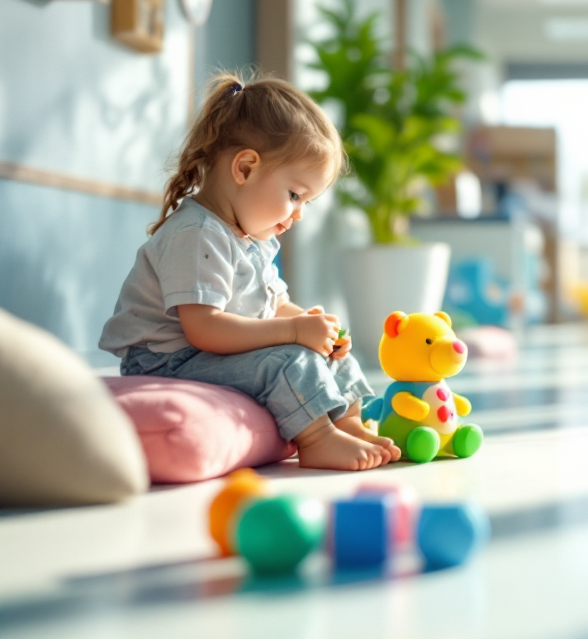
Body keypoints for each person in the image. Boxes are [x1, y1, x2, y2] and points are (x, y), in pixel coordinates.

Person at [99, 74, 401, 470]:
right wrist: (294, 334)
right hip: (168, 360)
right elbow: (204, 329)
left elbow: (272, 305)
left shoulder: (251, 238)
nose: (298, 214)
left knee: (325, 349)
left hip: (207, 351)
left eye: (306, 201)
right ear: (244, 168)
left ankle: (349, 423)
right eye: (295, 195)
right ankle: (317, 439)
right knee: (291, 360)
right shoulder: (196, 235)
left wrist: (316, 326)